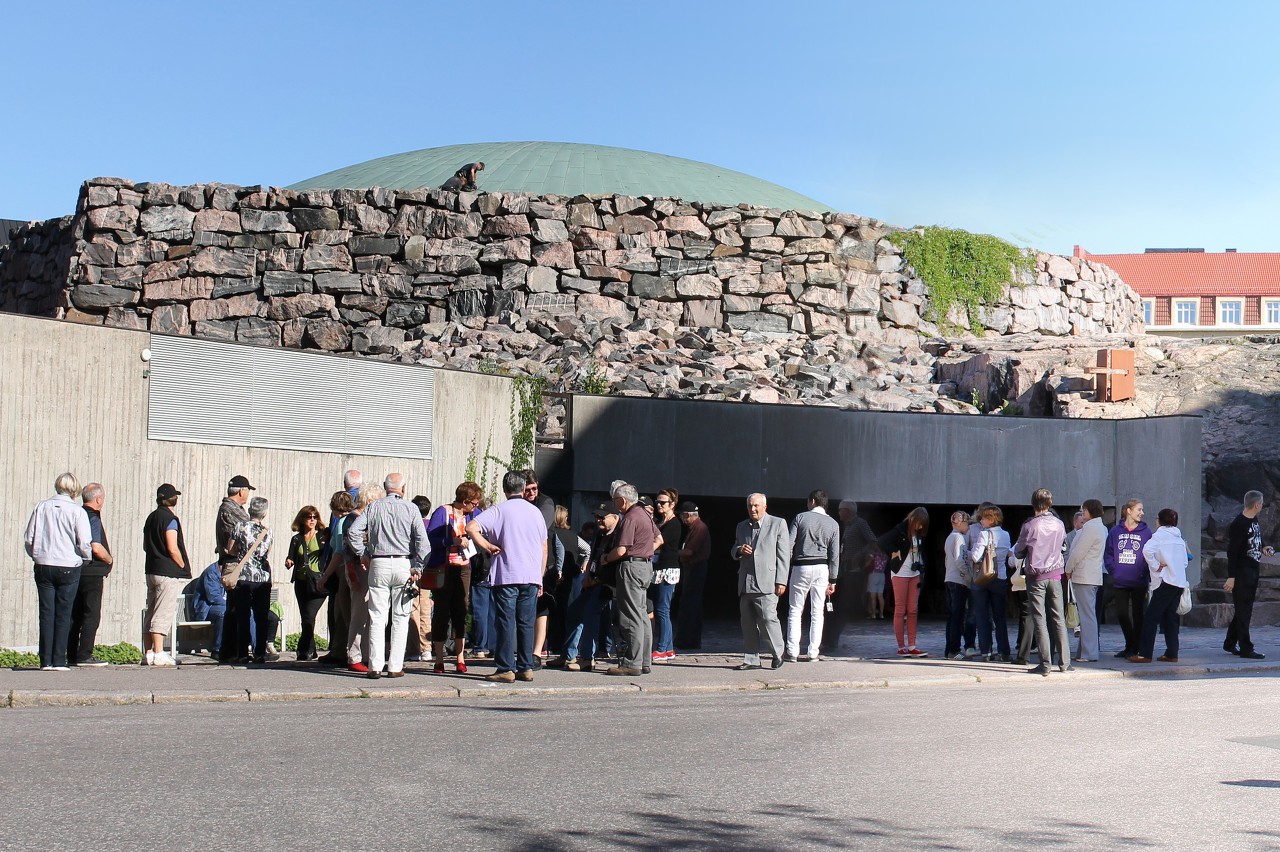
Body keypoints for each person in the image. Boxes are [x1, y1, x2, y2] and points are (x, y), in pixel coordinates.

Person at [467, 470, 548, 683]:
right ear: (523, 488)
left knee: (505, 621)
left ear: (505, 490)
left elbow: (471, 527)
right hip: (530, 574)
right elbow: (544, 546)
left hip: (507, 573)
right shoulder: (536, 512)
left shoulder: (498, 511)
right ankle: (525, 666)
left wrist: (486, 545)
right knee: (526, 622)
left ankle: (505, 667)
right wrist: (540, 576)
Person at [347, 473, 428, 679]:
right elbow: (423, 542)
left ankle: (375, 665)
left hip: (378, 562)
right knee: (400, 616)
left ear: (385, 488)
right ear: (403, 488)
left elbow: (353, 532)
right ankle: (394, 666)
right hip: (403, 562)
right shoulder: (411, 508)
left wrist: (363, 554)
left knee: (377, 615)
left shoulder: (374, 507)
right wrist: (418, 567)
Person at [24, 472, 92, 671]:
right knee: (64, 613)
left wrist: (36, 555)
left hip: (44, 563)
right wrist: (84, 558)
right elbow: (85, 542)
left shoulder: (41, 506)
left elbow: (29, 538)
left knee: (46, 613)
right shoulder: (77, 511)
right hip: (68, 565)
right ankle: (59, 660)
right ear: (74, 490)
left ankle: (45, 660)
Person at [599, 483, 657, 676]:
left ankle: (632, 662)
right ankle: (644, 661)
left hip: (631, 567)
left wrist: (606, 558)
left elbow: (622, 549)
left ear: (622, 500)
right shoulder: (645, 515)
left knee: (630, 616)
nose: (614, 504)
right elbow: (659, 539)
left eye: (615, 500)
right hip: (645, 566)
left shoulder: (630, 518)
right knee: (641, 614)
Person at [427, 482, 483, 674]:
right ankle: (439, 659)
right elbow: (430, 539)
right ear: (464, 501)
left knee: (461, 609)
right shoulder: (443, 512)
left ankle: (460, 658)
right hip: (444, 567)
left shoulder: (473, 515)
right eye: (474, 504)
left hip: (464, 567)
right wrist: (453, 541)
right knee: (442, 610)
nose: (476, 507)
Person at [1014, 488, 1071, 676]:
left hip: (1036, 576)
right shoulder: (1059, 524)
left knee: (1039, 619)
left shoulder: (1030, 526)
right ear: (1050, 503)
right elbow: (1063, 546)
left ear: (1033, 504)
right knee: (1058, 618)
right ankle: (1065, 662)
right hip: (1056, 574)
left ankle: (1045, 663)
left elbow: (1019, 551)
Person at [732, 493, 789, 670]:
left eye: (756, 505)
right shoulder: (741, 526)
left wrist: (781, 581)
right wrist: (739, 550)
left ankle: (778, 653)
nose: (753, 509)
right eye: (750, 505)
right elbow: (733, 548)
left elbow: (784, 555)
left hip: (767, 581)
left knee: (768, 619)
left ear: (765, 506)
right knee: (747, 622)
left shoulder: (778, 523)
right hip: (746, 581)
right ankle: (751, 659)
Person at [785, 490, 841, 662]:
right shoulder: (833, 524)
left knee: (795, 610)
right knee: (817, 612)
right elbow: (835, 555)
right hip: (822, 568)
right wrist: (833, 579)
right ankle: (813, 652)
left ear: (813, 501)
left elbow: (788, 544)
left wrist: (785, 568)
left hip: (801, 566)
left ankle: (792, 651)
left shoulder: (800, 518)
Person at [1130, 508, 1190, 663]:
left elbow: (1146, 551)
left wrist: (1156, 565)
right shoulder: (1179, 538)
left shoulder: (1159, 536)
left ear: (1160, 521)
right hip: (1179, 582)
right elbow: (1184, 562)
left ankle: (1145, 653)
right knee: (1171, 618)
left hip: (1165, 581)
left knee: (1151, 617)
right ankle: (1172, 652)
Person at [141, 483, 191, 667]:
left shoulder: (151, 517)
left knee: (151, 609)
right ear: (171, 499)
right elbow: (172, 546)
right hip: (167, 571)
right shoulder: (170, 519)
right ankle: (160, 652)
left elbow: (146, 545)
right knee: (163, 611)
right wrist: (181, 563)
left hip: (152, 568)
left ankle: (148, 652)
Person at [68, 482, 113, 667]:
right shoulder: (92, 517)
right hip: (92, 572)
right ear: (99, 499)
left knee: (75, 614)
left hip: (76, 569)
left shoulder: (77, 514)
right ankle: (85, 654)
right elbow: (95, 546)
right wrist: (109, 559)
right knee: (91, 614)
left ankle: (70, 653)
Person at [824, 499, 877, 649]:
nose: (839, 513)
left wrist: (859, 556)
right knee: (835, 606)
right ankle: (830, 639)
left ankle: (832, 640)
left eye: (841, 510)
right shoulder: (847, 526)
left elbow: (873, 541)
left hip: (853, 572)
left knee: (842, 608)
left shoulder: (860, 523)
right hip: (844, 570)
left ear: (847, 511)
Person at [1224, 490, 1271, 660]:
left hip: (1253, 569)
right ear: (1257, 505)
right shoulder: (1239, 524)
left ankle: (1229, 642)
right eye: (1262, 503)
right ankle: (1246, 647)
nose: (1262, 505)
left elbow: (1255, 537)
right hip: (1242, 572)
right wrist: (1231, 577)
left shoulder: (1253, 520)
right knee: (1244, 611)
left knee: (1245, 609)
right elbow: (1232, 552)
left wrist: (1263, 547)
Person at [878, 507, 930, 658]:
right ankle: (901, 647)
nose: (920, 527)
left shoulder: (919, 535)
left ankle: (912, 646)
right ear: (914, 519)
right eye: (919, 523)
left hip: (915, 573)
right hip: (900, 572)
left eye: (923, 525)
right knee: (900, 609)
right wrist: (894, 554)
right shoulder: (900, 530)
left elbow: (922, 552)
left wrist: (923, 565)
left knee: (913, 609)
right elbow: (881, 541)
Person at [1105, 499, 1151, 659]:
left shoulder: (1146, 532)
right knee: (1122, 614)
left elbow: (1149, 554)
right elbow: (1109, 553)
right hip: (1120, 580)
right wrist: (1114, 570)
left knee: (1139, 615)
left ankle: (1135, 647)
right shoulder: (1115, 531)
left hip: (1139, 581)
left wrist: (1143, 572)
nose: (1142, 513)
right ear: (1129, 511)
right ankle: (1129, 644)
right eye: (1139, 509)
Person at [214, 474, 254, 663]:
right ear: (240, 491)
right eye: (247, 490)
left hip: (234, 562)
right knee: (237, 608)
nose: (247, 494)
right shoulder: (231, 511)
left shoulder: (231, 509)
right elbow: (246, 535)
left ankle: (232, 649)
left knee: (235, 607)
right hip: (234, 563)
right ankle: (234, 650)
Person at [230, 497, 274, 664]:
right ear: (264, 514)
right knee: (261, 616)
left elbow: (231, 548)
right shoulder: (268, 531)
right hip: (262, 577)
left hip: (243, 576)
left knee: (242, 616)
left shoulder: (240, 526)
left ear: (250, 510)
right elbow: (267, 552)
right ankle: (260, 653)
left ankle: (242, 653)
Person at [284, 505, 329, 662]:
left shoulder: (324, 536)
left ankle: (305, 649)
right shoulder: (296, 539)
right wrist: (289, 562)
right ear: (302, 519)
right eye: (309, 517)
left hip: (319, 582)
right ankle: (309, 650)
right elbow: (291, 557)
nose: (312, 520)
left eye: (314, 517)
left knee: (310, 615)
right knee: (305, 617)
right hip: (302, 582)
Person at [969, 504, 1013, 662]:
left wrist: (968, 550)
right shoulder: (1006, 535)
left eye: (984, 517)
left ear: (991, 519)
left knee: (982, 616)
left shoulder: (984, 534)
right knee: (1000, 616)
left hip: (983, 578)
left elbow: (975, 556)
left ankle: (986, 651)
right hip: (1000, 577)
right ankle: (1004, 651)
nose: (981, 520)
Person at [317, 490, 355, 666]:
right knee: (345, 613)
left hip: (342, 571)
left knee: (342, 614)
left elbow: (338, 553)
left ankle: (343, 651)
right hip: (354, 570)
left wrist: (325, 575)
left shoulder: (341, 523)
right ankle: (340, 650)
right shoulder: (357, 519)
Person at [1065, 499, 1107, 662]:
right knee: (1086, 615)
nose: (1082, 513)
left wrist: (1068, 569)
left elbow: (1077, 553)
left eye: (1084, 511)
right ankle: (1083, 651)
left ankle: (1089, 653)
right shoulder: (1098, 527)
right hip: (1089, 575)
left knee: (1087, 616)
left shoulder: (1092, 528)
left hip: (1085, 576)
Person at [650, 489, 682, 662]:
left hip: (667, 569)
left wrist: (645, 550)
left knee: (663, 609)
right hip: (657, 568)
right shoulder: (660, 522)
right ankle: (668, 648)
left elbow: (659, 541)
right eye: (658, 502)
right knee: (660, 609)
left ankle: (662, 647)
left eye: (663, 502)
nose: (659, 505)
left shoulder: (674, 524)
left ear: (672, 504)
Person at [675, 501, 711, 651]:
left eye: (683, 516)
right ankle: (689, 639)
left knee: (690, 605)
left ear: (688, 515)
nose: (682, 520)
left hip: (696, 568)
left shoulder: (700, 528)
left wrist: (671, 553)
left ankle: (688, 639)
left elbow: (689, 551)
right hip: (691, 568)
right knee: (690, 604)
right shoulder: (693, 528)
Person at [406, 495, 434, 663]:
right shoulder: (431, 525)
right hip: (429, 569)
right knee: (425, 608)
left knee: (412, 607)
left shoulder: (412, 525)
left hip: (414, 568)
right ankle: (427, 648)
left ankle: (413, 648)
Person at [943, 511, 972, 660]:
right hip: (958, 580)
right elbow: (960, 561)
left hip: (950, 578)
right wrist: (969, 577)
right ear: (959, 523)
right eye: (967, 523)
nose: (969, 526)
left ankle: (949, 649)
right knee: (958, 617)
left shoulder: (950, 537)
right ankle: (954, 650)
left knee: (952, 616)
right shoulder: (958, 538)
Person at [191, 562, 226, 657]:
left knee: (247, 612)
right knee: (225, 613)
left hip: (222, 606)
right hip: (206, 608)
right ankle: (217, 650)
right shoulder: (212, 572)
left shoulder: (235, 572)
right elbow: (213, 597)